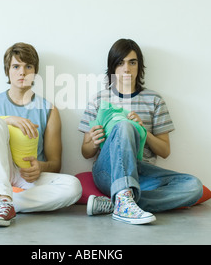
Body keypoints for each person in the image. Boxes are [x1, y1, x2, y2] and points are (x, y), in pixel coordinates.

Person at [78, 38, 203, 225]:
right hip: (109, 172)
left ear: (139, 66)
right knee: (124, 126)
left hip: (142, 172)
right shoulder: (99, 100)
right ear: (112, 68)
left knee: (194, 187)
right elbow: (86, 153)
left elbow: (164, 151)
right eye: (120, 63)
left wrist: (144, 130)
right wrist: (93, 141)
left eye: (132, 62)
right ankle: (123, 198)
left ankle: (117, 203)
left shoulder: (154, 100)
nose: (126, 69)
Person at [0, 42, 82, 227]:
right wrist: (7, 120)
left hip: (26, 176)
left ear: (35, 71)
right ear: (7, 71)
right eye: (16, 66)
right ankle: (2, 198)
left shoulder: (48, 110)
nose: (22, 72)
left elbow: (55, 164)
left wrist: (40, 167)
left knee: (73, 187)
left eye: (28, 66)